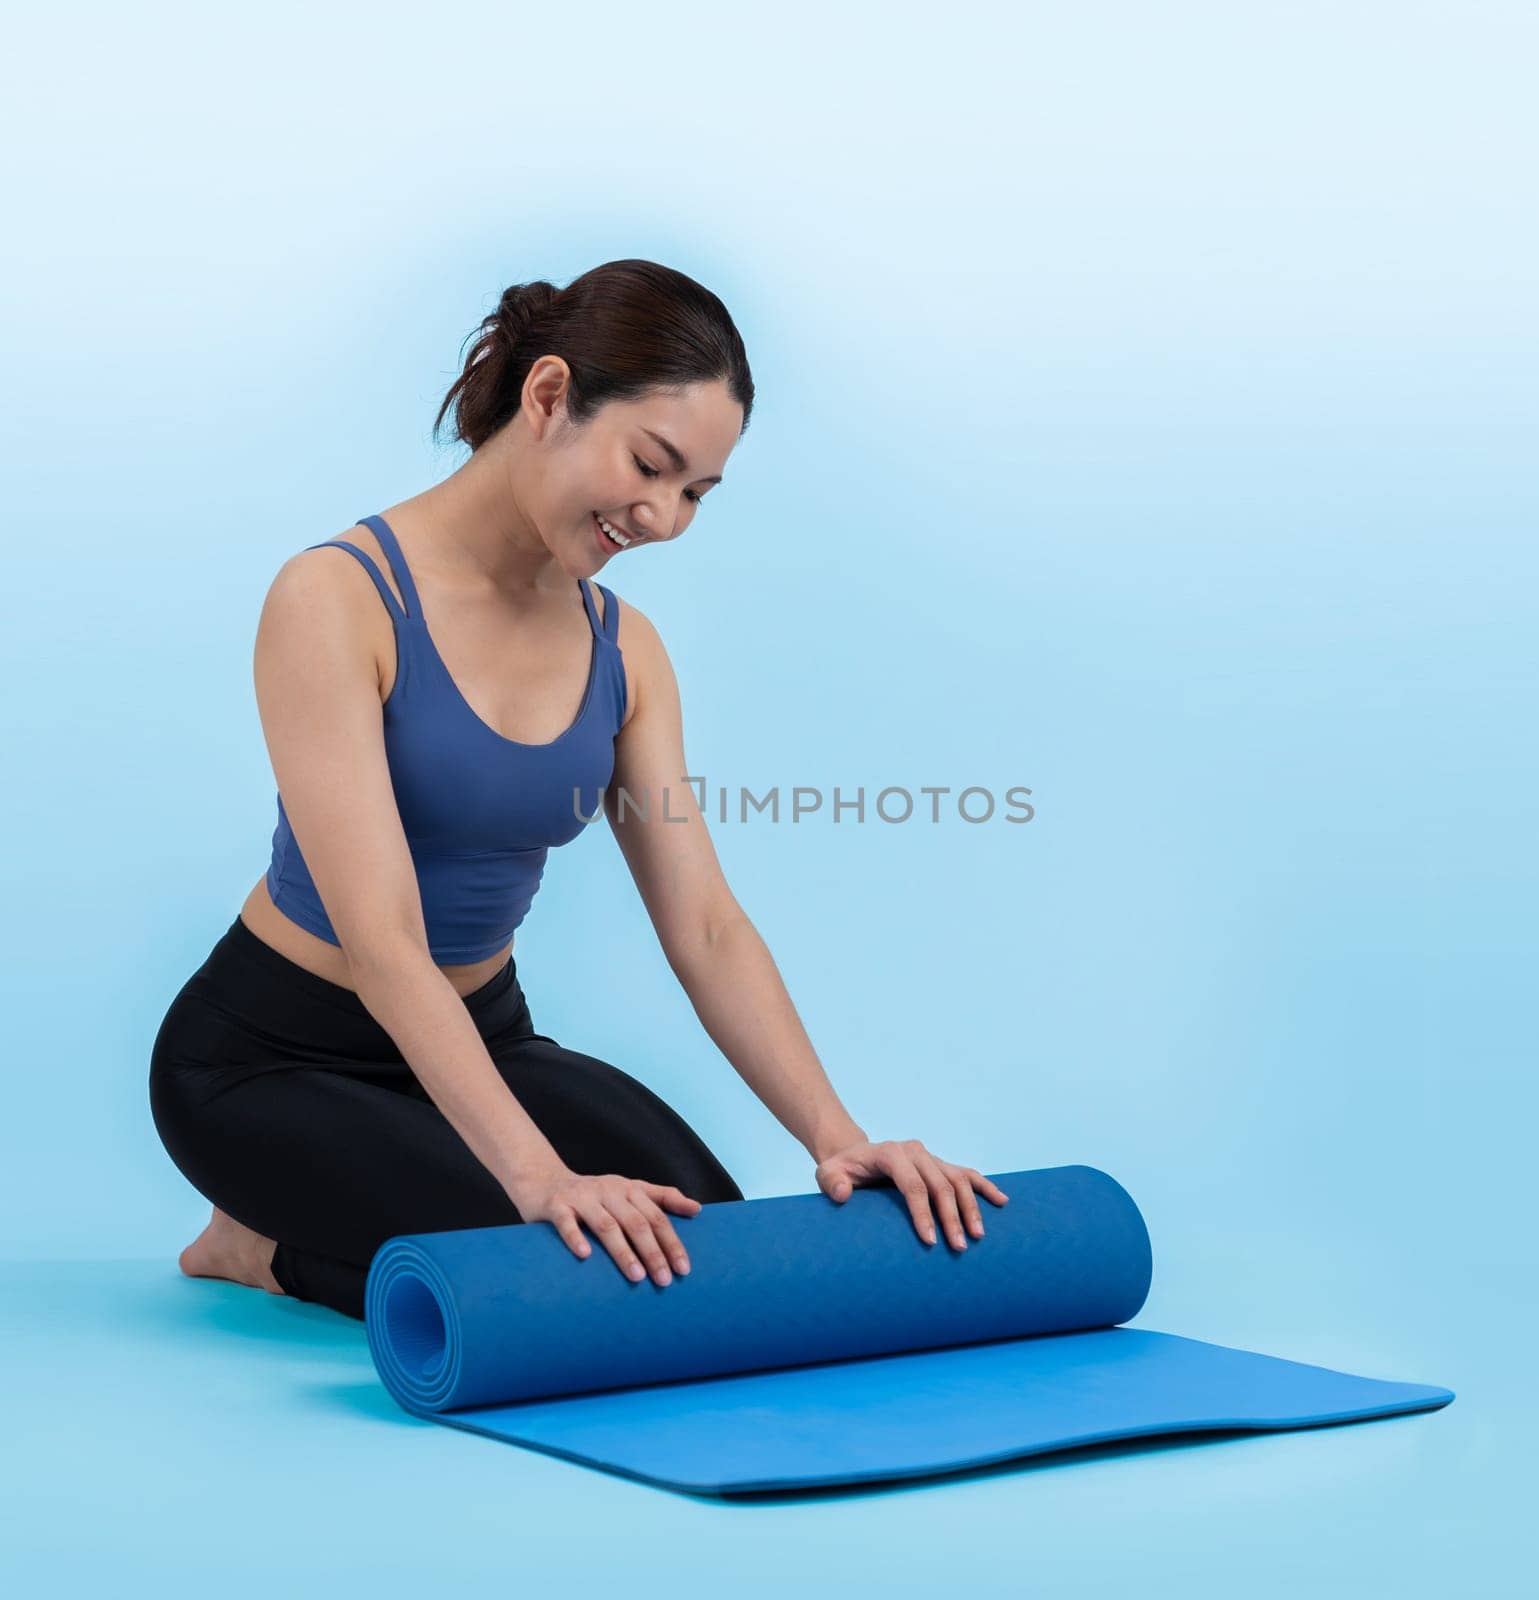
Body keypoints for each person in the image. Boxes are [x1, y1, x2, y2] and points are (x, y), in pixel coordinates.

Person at [148, 258, 1008, 1322]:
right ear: (548, 395)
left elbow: (705, 926)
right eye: (651, 464)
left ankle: (353, 1218)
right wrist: (537, 1178)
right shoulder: (337, 599)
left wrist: (836, 1137)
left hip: (485, 1041)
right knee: (573, 1262)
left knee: (710, 1238)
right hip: (268, 1062)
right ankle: (257, 1245)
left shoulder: (624, 649)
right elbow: (382, 941)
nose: (664, 517)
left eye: (696, 492)